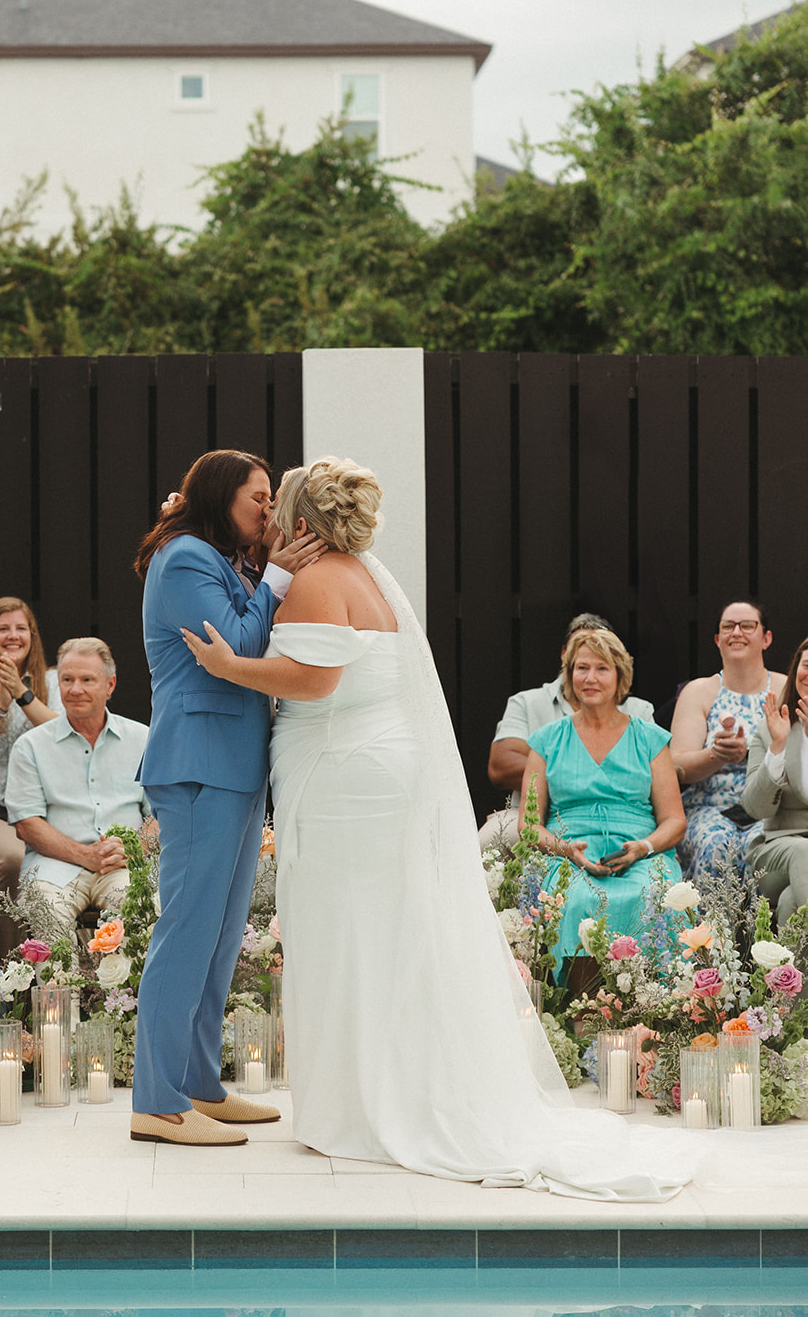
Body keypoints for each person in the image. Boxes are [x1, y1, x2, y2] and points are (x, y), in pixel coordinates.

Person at [184, 456, 688, 1201]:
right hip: (372, 767)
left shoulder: (322, 579)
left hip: (342, 774)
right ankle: (377, 1090)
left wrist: (230, 666)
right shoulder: (362, 574)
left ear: (300, 519)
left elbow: (314, 679)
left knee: (343, 930)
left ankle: (360, 1108)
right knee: (382, 930)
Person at [130, 449, 324, 1148]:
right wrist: (275, 574)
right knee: (184, 933)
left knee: (216, 941)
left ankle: (198, 1085)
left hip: (237, 768)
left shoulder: (222, 560)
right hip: (196, 768)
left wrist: (268, 573)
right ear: (220, 498)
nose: (269, 513)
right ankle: (154, 1101)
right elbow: (236, 648)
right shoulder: (183, 558)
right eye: (259, 499)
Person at [521, 626, 686, 976]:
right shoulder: (546, 741)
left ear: (619, 675)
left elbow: (674, 820)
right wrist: (565, 848)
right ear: (569, 675)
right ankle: (578, 1011)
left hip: (640, 850)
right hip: (569, 850)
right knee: (578, 899)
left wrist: (643, 847)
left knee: (651, 899)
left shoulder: (650, 739)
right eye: (581, 668)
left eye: (602, 668)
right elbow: (528, 824)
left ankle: (657, 1009)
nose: (590, 678)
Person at [4, 637, 148, 932]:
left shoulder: (143, 739)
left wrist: (135, 849)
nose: (75, 689)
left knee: (143, 910)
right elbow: (27, 824)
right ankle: (59, 981)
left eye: (87, 679)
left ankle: (128, 980)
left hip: (124, 866)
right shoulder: (30, 746)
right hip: (55, 867)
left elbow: (162, 813)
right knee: (45, 914)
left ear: (110, 685)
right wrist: (84, 855)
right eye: (67, 679)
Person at [481, 615, 655, 851]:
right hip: (531, 814)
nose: (591, 673)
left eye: (601, 660)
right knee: (489, 841)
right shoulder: (527, 702)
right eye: (582, 659)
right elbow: (501, 766)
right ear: (566, 656)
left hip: (618, 815)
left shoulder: (639, 711)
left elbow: (656, 776)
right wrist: (574, 777)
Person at [0, 597, 62, 954]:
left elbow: (66, 737)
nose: (13, 635)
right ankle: (6, 971)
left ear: (32, 636)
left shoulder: (55, 680)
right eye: (3, 628)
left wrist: (22, 694)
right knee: (12, 859)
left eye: (21, 628)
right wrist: (1, 704)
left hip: (53, 808)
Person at [670, 599, 783, 881]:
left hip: (771, 810)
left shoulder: (785, 686)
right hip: (709, 809)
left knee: (764, 850)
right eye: (728, 627)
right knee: (716, 848)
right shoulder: (699, 691)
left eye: (747, 625)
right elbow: (675, 764)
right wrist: (716, 755)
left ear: (766, 638)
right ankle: (709, 928)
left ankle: (762, 927)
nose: (737, 633)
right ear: (718, 640)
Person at [743, 636, 808, 924]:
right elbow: (755, 808)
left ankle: (786, 971)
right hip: (779, 850)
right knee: (804, 851)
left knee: (790, 902)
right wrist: (778, 748)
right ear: (796, 671)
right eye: (806, 665)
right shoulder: (771, 729)